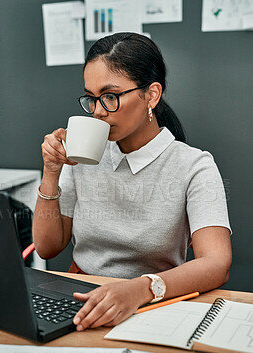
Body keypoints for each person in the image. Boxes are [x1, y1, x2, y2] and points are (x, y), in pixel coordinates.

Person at [33, 32, 232, 332]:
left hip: (158, 301)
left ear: (151, 95)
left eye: (110, 97)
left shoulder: (194, 166)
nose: (98, 111)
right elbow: (47, 247)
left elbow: (217, 263)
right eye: (92, 98)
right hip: (85, 298)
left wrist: (140, 290)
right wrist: (51, 171)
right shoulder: (83, 155)